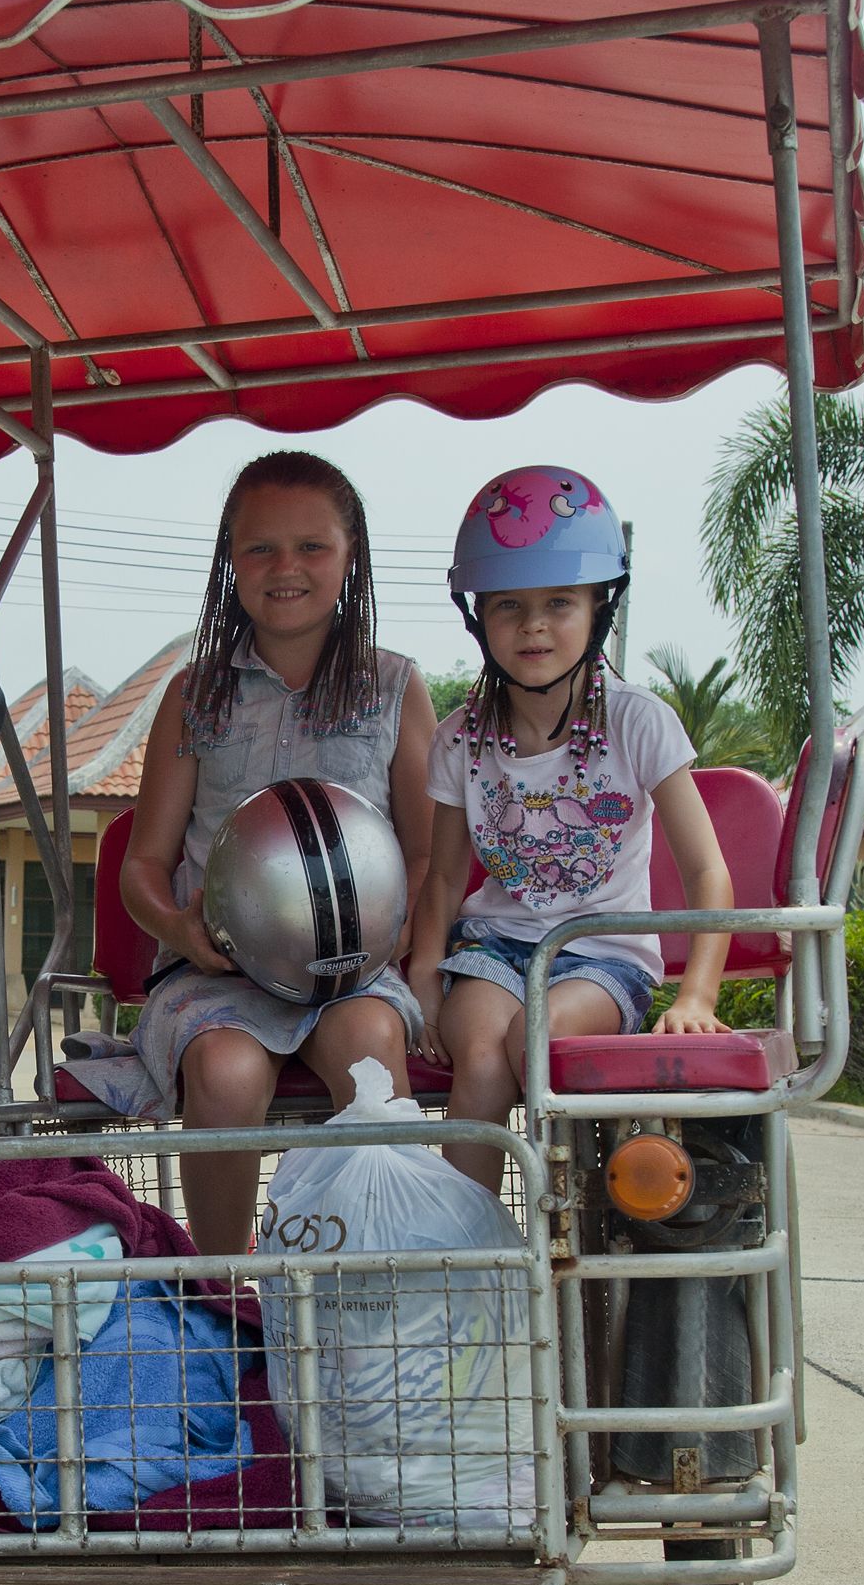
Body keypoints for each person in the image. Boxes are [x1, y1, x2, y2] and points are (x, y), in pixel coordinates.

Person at [113, 451, 438, 1256]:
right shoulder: (194, 695)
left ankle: (367, 1286)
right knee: (225, 1074)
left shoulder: (397, 687)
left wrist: (398, 950)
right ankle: (223, 1289)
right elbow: (142, 866)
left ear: (350, 554)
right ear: (230, 560)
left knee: (370, 1052)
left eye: (312, 547)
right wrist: (182, 931)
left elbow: (429, 858)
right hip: (214, 973)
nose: (285, 568)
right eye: (260, 548)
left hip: (356, 973)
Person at [403, 464, 734, 1189]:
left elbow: (710, 872)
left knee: (533, 1042)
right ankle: (472, 1261)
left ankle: (575, 1236)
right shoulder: (461, 738)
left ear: (598, 610)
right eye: (509, 606)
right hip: (492, 951)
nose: (535, 626)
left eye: (559, 602)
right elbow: (446, 876)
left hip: (600, 956)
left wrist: (697, 995)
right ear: (477, 615)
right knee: (483, 1058)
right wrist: (426, 973)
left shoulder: (639, 721)